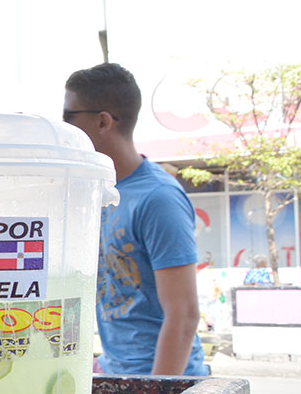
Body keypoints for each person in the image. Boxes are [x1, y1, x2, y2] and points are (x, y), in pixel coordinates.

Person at [63, 62, 207, 376]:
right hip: (118, 374)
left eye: (69, 117)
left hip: (160, 383)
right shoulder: (94, 193)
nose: (65, 127)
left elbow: (183, 314)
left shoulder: (158, 198)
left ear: (103, 122)